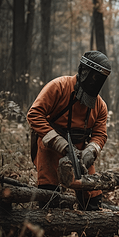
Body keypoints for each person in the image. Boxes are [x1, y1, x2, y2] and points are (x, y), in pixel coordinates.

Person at [27, 51, 110, 211]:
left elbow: (100, 134)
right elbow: (34, 114)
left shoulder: (100, 106)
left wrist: (91, 150)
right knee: (48, 197)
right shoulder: (58, 87)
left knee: (93, 201)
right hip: (50, 146)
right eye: (93, 77)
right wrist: (59, 143)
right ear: (84, 71)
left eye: (99, 79)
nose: (95, 82)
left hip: (80, 151)